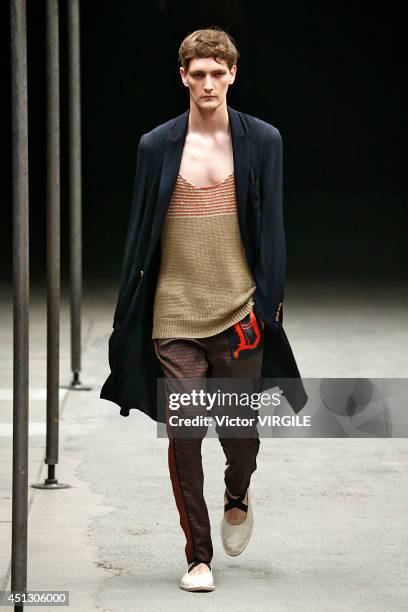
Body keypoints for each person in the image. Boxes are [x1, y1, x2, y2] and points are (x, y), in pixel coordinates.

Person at [100, 26, 308, 592]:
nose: (209, 82)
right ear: (184, 77)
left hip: (239, 311)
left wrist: (271, 305)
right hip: (174, 315)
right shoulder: (157, 145)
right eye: (199, 73)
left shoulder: (263, 140)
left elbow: (273, 229)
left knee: (241, 436)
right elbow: (141, 232)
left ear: (233, 74)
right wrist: (129, 312)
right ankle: (197, 556)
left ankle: (237, 495)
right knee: (185, 432)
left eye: (219, 72)